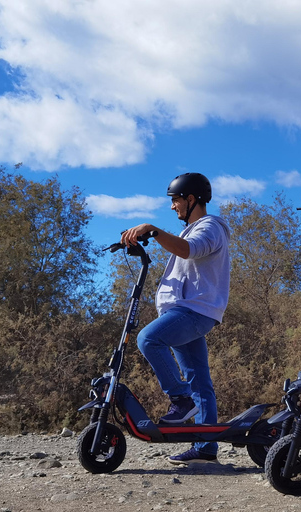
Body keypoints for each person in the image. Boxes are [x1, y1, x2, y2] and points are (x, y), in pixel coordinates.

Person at [121, 172, 230, 465]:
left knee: (149, 338)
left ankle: (180, 400)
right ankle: (207, 448)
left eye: (176, 200)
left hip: (194, 312)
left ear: (192, 199)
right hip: (186, 311)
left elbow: (189, 251)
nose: (173, 207)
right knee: (200, 382)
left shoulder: (210, 227)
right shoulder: (189, 230)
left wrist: (153, 230)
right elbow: (182, 252)